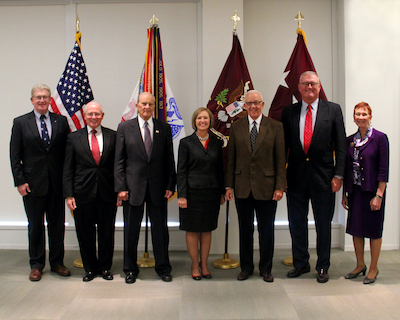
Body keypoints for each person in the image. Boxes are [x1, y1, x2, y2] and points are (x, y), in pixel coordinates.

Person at [281, 71, 346, 283]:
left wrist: (338, 175)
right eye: (305, 84)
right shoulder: (288, 112)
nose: (310, 87)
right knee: (296, 223)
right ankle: (301, 263)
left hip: (324, 178)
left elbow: (342, 146)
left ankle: (323, 266)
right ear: (298, 87)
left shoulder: (333, 110)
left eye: (313, 84)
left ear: (319, 86)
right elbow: (283, 148)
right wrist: (282, 177)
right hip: (295, 178)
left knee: (323, 224)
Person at [10, 84, 71, 281]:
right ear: (32, 100)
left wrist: (67, 181)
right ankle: (36, 264)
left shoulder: (61, 121)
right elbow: (15, 155)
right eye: (38, 97)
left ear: (50, 99)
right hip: (32, 184)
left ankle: (57, 263)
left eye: (45, 97)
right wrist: (20, 181)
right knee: (35, 226)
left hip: (56, 184)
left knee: (57, 225)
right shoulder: (20, 123)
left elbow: (67, 154)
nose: (42, 100)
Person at [114, 92, 176, 284]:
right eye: (143, 104)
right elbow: (119, 161)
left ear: (154, 106)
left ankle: (163, 268)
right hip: (132, 189)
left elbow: (168, 159)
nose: (147, 107)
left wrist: (170, 185)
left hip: (158, 189)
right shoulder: (125, 127)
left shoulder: (163, 128)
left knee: (160, 231)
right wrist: (121, 187)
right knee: (131, 232)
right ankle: (130, 269)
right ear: (137, 105)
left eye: (150, 104)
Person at [225, 90, 286, 282]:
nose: (253, 107)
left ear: (263, 104)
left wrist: (279, 186)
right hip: (242, 187)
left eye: (256, 103)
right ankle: (246, 268)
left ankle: (266, 269)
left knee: (266, 230)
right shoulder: (236, 127)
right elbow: (231, 159)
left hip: (267, 188)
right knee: (245, 230)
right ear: (244, 106)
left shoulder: (275, 127)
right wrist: (228, 186)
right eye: (249, 103)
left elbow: (280, 159)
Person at [63, 101, 117, 282]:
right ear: (85, 116)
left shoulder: (113, 136)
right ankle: (90, 269)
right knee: (84, 233)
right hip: (81, 194)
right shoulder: (73, 138)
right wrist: (69, 194)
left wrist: (119, 191)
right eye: (90, 114)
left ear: (102, 116)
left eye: (97, 114)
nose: (93, 117)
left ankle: (105, 268)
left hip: (107, 193)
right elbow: (68, 168)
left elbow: (118, 167)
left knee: (106, 233)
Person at [342, 102, 389, 284]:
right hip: (355, 192)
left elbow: (383, 169)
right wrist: (346, 193)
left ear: (370, 116)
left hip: (372, 192)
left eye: (364, 114)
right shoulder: (350, 141)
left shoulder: (380, 138)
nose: (360, 117)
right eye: (357, 114)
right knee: (357, 230)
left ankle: (373, 267)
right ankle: (360, 264)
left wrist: (379, 194)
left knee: (374, 231)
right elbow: (347, 169)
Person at [177, 108, 225, 280]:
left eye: (205, 118)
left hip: (211, 194)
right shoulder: (186, 143)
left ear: (210, 121)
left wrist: (221, 192)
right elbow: (181, 171)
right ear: (194, 121)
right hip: (191, 194)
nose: (202, 120)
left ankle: (204, 264)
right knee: (192, 230)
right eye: (199, 118)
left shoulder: (217, 143)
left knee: (206, 230)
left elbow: (220, 170)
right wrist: (181, 195)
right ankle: (195, 264)